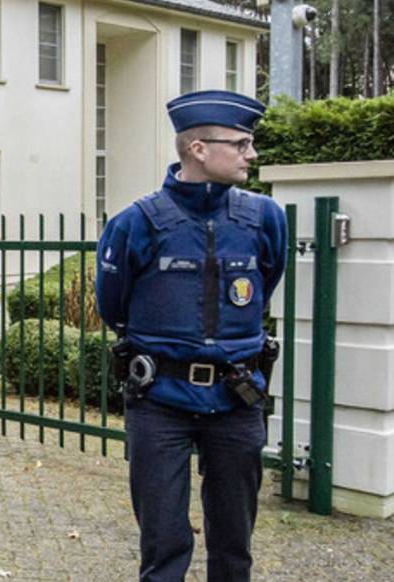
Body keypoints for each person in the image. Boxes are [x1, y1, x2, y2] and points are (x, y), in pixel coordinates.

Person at [95, 90, 288, 582]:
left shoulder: (265, 218)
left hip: (237, 399)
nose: (252, 154)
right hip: (160, 401)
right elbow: (113, 307)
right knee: (163, 547)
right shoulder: (136, 223)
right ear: (199, 149)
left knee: (234, 545)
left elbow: (266, 283)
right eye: (241, 144)